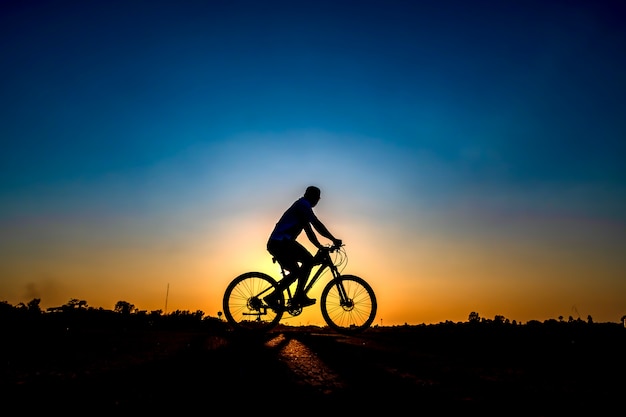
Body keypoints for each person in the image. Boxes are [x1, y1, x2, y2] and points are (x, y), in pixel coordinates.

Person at [264, 185, 342, 310]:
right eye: (317, 198)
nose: (317, 201)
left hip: (282, 243)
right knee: (307, 262)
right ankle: (281, 297)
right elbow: (313, 227)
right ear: (312, 197)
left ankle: (294, 296)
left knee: (301, 268)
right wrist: (329, 241)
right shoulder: (303, 206)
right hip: (280, 243)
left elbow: (311, 227)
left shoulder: (303, 206)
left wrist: (321, 244)